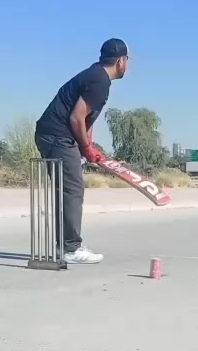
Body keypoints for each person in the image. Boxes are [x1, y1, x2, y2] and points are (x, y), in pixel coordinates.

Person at [35, 39, 129, 264]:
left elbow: (86, 118)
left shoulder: (96, 75)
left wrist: (89, 144)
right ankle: (70, 248)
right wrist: (85, 147)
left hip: (54, 134)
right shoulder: (99, 81)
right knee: (72, 189)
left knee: (68, 189)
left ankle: (66, 246)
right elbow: (76, 117)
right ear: (121, 61)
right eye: (127, 60)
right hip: (57, 136)